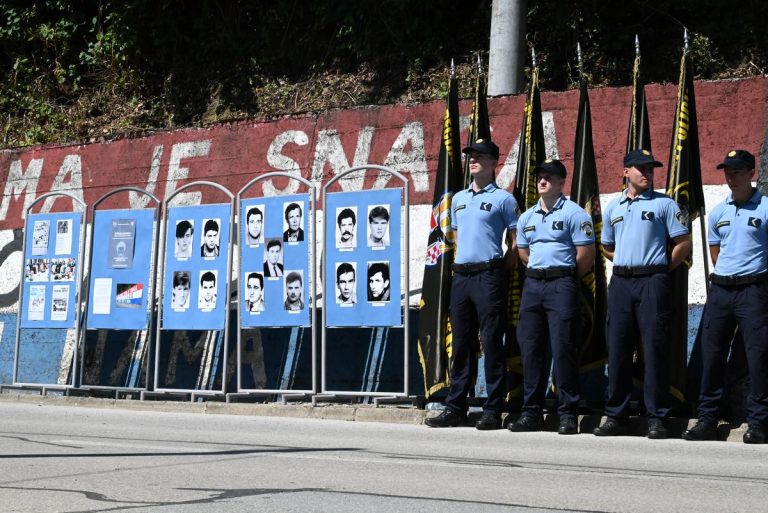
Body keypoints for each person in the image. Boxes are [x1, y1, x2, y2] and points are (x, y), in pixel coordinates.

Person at [594, 149, 691, 439]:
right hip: (622, 283)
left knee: (654, 349)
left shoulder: (665, 205)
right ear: (626, 172)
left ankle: (656, 417)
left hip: (653, 282)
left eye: (650, 168)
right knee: (618, 348)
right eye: (641, 168)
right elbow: (607, 246)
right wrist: (627, 261)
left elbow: (682, 243)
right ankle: (616, 416)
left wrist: (659, 267)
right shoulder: (614, 206)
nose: (647, 173)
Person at [425, 138, 518, 431]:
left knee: (491, 341)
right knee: (462, 343)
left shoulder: (504, 199)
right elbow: (454, 237)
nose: (473, 160)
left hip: (489, 275)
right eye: (471, 156)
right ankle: (455, 406)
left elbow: (515, 243)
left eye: (479, 156)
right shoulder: (459, 199)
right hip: (462, 276)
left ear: (493, 163)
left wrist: (500, 270)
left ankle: (493, 407)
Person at [684, 150, 768, 444]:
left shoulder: (766, 208)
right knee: (713, 355)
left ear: (750, 173)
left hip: (753, 291)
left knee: (758, 358)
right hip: (721, 290)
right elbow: (716, 253)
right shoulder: (719, 211)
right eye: (727, 172)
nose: (730, 177)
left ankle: (758, 422)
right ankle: (707, 418)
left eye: (736, 171)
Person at [510, 159, 596, 435]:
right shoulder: (527, 217)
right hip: (534, 285)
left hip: (562, 284)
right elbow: (523, 253)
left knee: (564, 348)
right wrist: (540, 273)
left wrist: (564, 276)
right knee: (532, 349)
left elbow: (586, 255)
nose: (542, 181)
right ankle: (531, 413)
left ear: (562, 183)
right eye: (539, 176)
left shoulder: (574, 214)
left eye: (549, 177)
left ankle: (567, 413)